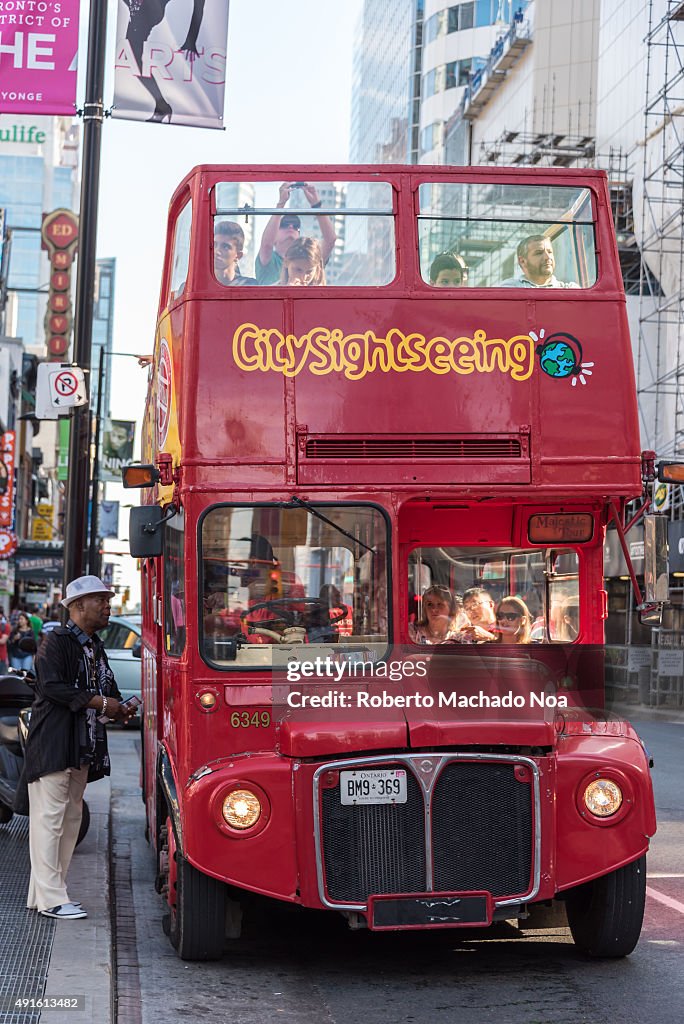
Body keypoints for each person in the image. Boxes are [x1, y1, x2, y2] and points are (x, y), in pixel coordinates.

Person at [24, 575, 135, 920]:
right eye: (100, 600)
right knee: (51, 820)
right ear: (77, 606)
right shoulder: (55, 640)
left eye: (107, 599)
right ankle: (53, 899)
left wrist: (119, 705)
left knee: (69, 819)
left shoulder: (94, 645)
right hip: (55, 742)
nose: (107, 606)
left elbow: (107, 687)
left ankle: (43, 894)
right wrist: (102, 704)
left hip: (82, 746)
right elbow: (53, 687)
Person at [122, 0, 206, 123]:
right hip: (142, 10)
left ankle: (161, 105)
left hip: (148, 11)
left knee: (132, 57)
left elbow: (199, 4)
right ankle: (161, 105)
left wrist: (191, 39)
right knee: (132, 57)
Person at [256, 182, 336, 285]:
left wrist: (316, 204)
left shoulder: (311, 256)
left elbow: (331, 240)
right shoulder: (269, 260)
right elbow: (267, 245)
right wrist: (281, 204)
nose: (291, 227)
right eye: (284, 224)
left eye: (296, 226)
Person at [502, 235, 579, 288]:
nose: (547, 257)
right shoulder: (509, 289)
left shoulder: (570, 289)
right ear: (522, 261)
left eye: (549, 252)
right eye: (539, 253)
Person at [214, 220, 256, 286]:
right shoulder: (201, 284)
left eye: (225, 247)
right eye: (214, 245)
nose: (217, 251)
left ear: (238, 255)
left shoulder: (249, 286)